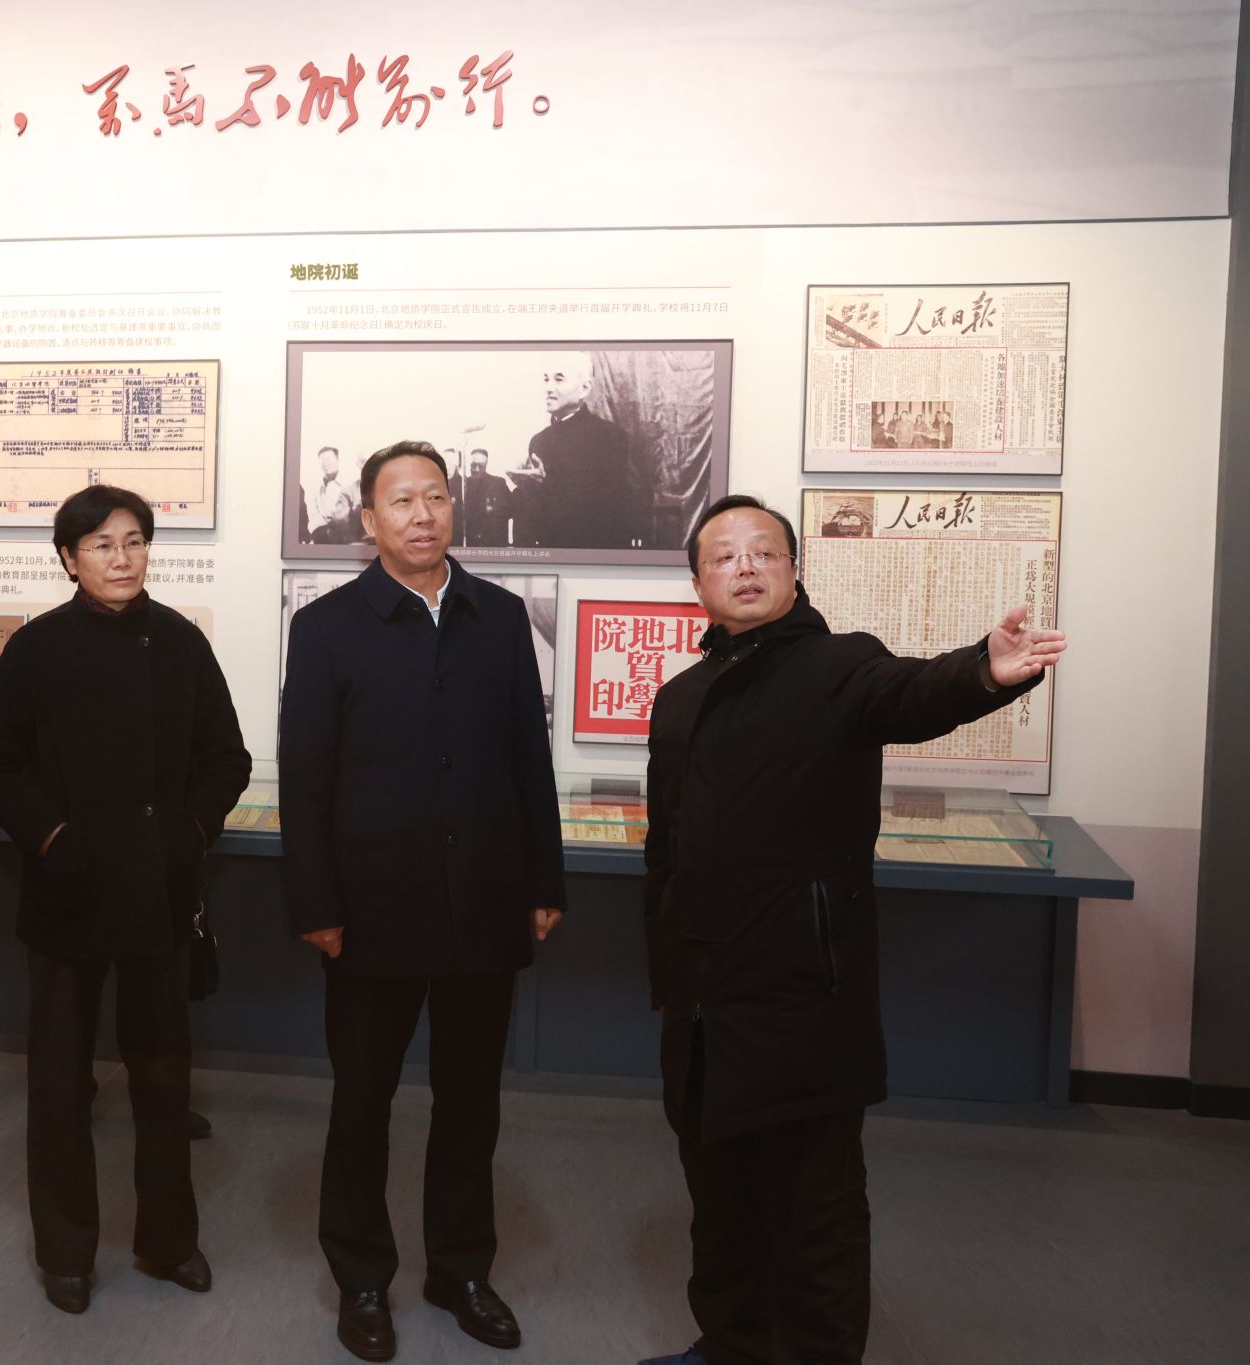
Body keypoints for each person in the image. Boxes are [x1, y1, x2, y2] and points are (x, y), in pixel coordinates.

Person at [636, 494, 1066, 1365]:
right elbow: (665, 845)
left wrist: (984, 671)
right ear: (699, 586)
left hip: (803, 992)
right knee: (719, 1196)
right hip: (704, 1004)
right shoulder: (680, 697)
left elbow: (912, 693)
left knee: (816, 1209)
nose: (746, 567)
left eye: (764, 552)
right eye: (724, 556)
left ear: (795, 572)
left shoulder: (840, 666)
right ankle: (730, 1345)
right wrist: (667, 969)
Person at [279, 440, 564, 1362]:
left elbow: (528, 758)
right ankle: (362, 1276)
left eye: (434, 496)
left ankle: (461, 1268)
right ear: (368, 519)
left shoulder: (500, 615)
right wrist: (316, 901)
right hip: (371, 907)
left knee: (470, 1102)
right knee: (363, 1102)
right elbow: (305, 777)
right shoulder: (327, 627)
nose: (422, 514)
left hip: (484, 898)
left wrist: (544, 878)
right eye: (400, 500)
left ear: (453, 506)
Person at [0, 483, 250, 1317]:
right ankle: (66, 1252)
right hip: (69, 889)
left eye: (133, 541)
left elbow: (225, 757)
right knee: (59, 1084)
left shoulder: (181, 641)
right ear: (68, 558)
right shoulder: (38, 648)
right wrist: (55, 839)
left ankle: (168, 1241)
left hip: (161, 892)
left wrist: (189, 833)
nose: (121, 558)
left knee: (163, 1077)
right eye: (100, 545)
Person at [513, 353, 637, 550]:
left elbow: (614, 510)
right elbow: (537, 521)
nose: (548, 388)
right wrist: (527, 486)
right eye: (546, 379)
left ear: (584, 388)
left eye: (559, 379)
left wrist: (548, 484)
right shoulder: (539, 441)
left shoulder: (610, 436)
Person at [452, 447, 513, 548]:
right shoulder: (462, 486)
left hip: (495, 545)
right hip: (471, 545)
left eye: (481, 466)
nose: (476, 469)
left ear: (486, 465)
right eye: (473, 465)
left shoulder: (498, 484)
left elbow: (511, 511)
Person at [309, 445, 361, 544]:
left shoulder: (349, 483)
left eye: (329, 460)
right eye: (322, 461)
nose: (326, 464)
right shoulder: (317, 486)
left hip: (346, 535)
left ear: (337, 460)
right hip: (323, 533)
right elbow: (314, 514)